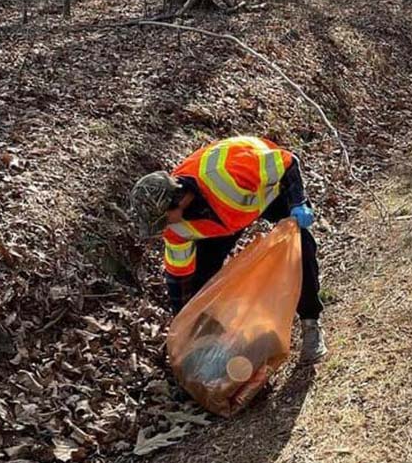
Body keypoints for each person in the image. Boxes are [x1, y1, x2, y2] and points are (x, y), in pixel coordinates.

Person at [129, 136, 328, 363]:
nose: (164, 226)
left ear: (177, 200)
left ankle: (311, 322)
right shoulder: (175, 227)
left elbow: (288, 162)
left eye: (163, 219)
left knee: (300, 247)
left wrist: (297, 202)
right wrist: (185, 323)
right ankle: (219, 344)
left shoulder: (226, 173)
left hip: (268, 191)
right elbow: (179, 278)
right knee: (202, 280)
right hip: (222, 221)